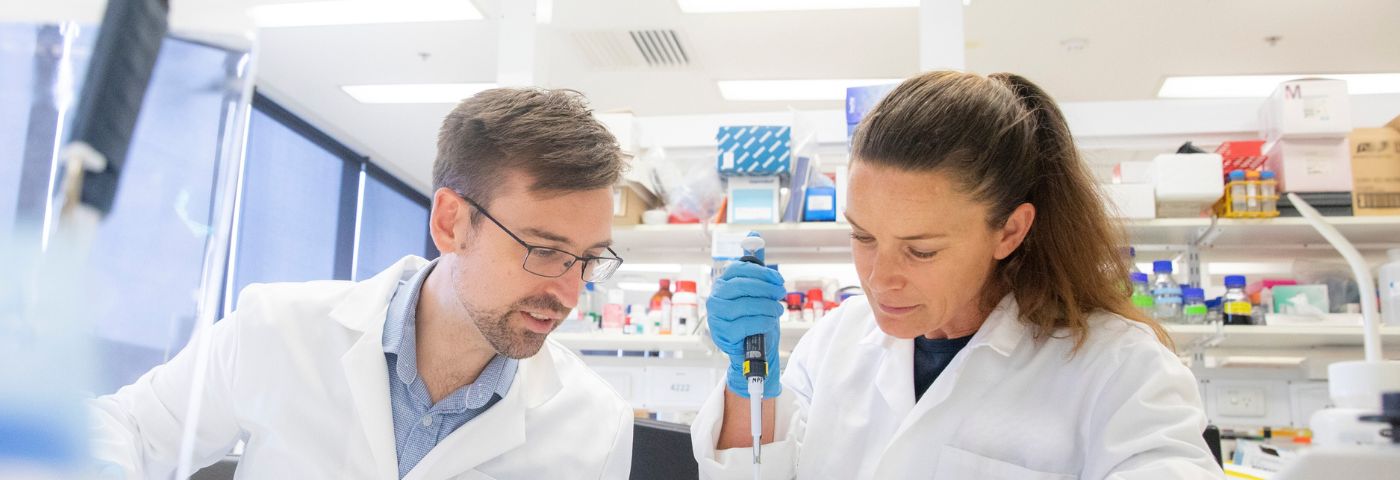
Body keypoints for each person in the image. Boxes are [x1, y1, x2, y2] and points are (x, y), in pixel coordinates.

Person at [693, 71, 1223, 479]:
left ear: (1009, 231)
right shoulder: (836, 341)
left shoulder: (1118, 367)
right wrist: (749, 386)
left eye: (921, 251)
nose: (880, 280)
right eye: (863, 237)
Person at [90, 88, 635, 479]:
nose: (568, 294)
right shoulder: (279, 327)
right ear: (450, 222)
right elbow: (130, 428)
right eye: (543, 250)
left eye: (587, 260)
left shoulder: (594, 425)